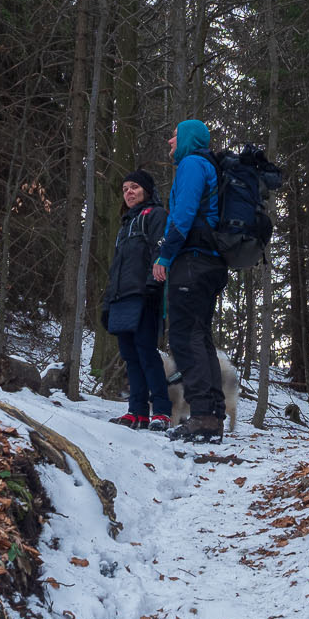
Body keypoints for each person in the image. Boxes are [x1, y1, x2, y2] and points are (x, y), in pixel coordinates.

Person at [153, 119, 227, 442]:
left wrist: (165, 255)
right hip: (210, 263)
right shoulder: (208, 166)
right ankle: (212, 413)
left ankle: (201, 414)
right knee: (199, 336)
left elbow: (182, 215)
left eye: (174, 136)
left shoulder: (193, 164)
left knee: (184, 337)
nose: (170, 141)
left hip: (193, 262)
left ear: (187, 139)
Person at [101, 170, 171, 429]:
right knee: (129, 354)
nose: (128, 192)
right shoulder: (124, 224)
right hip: (121, 297)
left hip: (144, 294)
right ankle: (137, 412)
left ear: (147, 190)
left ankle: (162, 411)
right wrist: (108, 303)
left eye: (134, 187)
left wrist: (154, 286)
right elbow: (116, 267)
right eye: (125, 189)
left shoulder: (155, 215)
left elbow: (160, 250)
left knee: (146, 351)